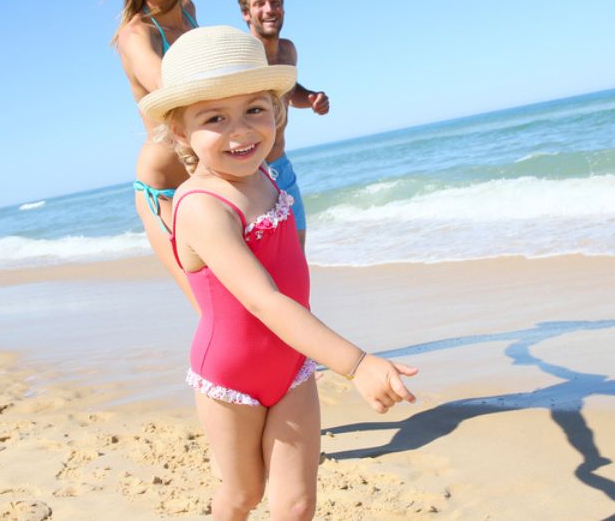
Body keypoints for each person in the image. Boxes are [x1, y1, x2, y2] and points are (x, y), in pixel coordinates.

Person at [139, 26, 417, 519]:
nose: (241, 131)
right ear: (180, 130)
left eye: (254, 110)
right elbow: (263, 300)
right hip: (230, 376)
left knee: (296, 504)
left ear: (276, 109)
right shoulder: (203, 206)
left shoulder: (264, 173)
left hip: (291, 366)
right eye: (214, 118)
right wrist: (356, 363)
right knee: (243, 493)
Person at [101, 0, 199, 297]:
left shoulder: (191, 11)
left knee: (251, 295)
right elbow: (173, 93)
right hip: (166, 193)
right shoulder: (136, 35)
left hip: (206, 173)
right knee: (213, 308)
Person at [238, 0, 330, 249]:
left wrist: (311, 99)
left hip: (282, 166)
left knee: (297, 252)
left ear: (283, 10)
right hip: (254, 171)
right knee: (267, 256)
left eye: (275, 3)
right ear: (246, 14)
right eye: (259, 4)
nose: (269, 9)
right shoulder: (242, 57)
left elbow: (289, 92)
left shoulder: (288, 51)